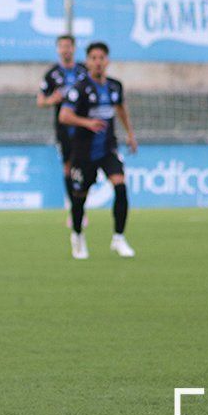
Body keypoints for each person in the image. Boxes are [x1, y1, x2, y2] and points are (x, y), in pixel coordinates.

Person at [59, 41, 137, 259]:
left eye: (101, 58)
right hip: (84, 152)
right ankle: (77, 236)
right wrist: (87, 123)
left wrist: (130, 134)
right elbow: (64, 116)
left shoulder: (114, 86)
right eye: (93, 58)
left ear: (107, 61)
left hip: (108, 149)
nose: (98, 62)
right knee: (80, 198)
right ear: (88, 61)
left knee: (120, 187)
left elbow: (121, 109)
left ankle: (119, 238)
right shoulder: (80, 89)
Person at [37, 35, 88, 216]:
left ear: (74, 48)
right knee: (67, 166)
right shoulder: (52, 74)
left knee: (84, 166)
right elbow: (40, 101)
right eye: (62, 46)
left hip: (84, 126)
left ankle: (80, 206)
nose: (65, 49)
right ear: (58, 49)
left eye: (68, 46)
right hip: (64, 129)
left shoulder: (84, 70)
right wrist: (53, 99)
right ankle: (74, 209)